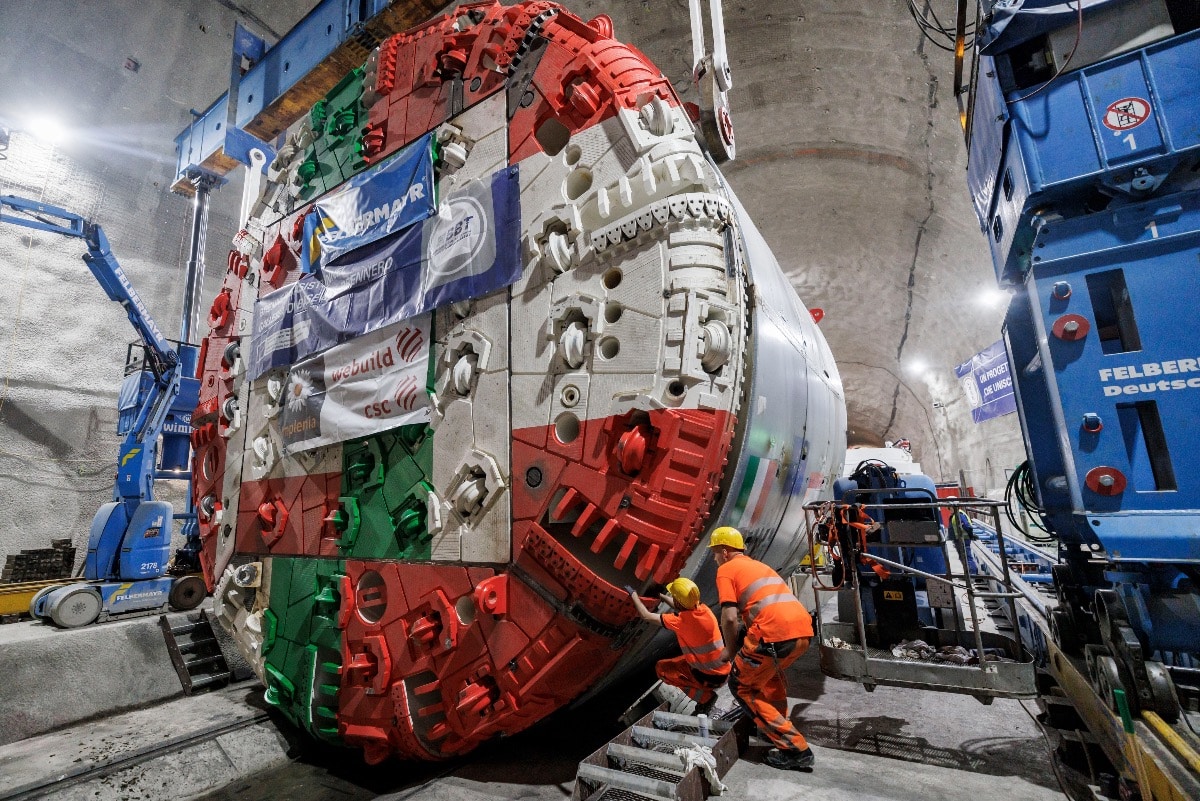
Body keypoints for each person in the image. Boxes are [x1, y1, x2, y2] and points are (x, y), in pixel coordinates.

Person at [709, 525, 815, 771]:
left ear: (725, 552)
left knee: (741, 685)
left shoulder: (726, 569)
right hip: (801, 633)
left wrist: (731, 650)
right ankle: (774, 728)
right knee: (768, 677)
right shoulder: (759, 566)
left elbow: (729, 618)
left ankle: (796, 750)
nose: (714, 558)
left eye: (715, 553)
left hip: (773, 636)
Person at [629, 577, 730, 714]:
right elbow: (681, 606)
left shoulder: (681, 622)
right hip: (722, 670)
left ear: (678, 601)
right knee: (675, 664)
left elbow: (646, 616)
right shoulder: (703, 609)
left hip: (708, 677)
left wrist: (633, 594)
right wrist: (661, 596)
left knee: (663, 669)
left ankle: (705, 698)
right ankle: (704, 691)